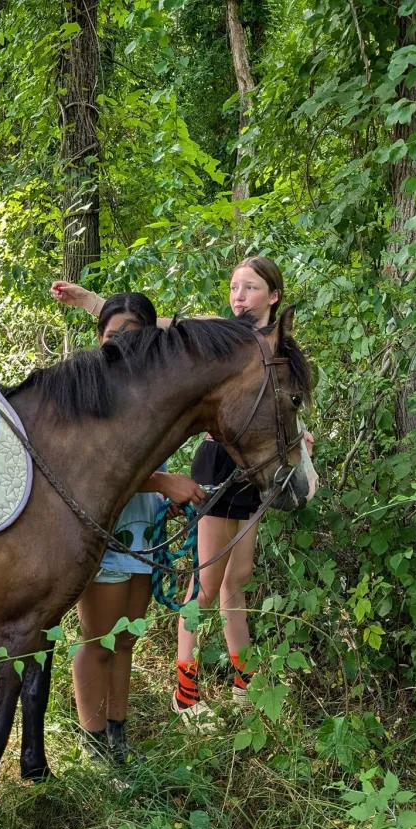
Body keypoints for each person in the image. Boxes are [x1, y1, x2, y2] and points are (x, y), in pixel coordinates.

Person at [52, 258, 314, 725]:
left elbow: (281, 403)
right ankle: (186, 689)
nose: (238, 296)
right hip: (218, 461)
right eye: (234, 287)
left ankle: (243, 681)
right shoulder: (223, 335)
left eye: (250, 288)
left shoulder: (278, 345)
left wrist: (299, 442)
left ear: (273, 295)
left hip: (255, 464)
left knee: (240, 577)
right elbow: (162, 329)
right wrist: (93, 302)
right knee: (207, 583)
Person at [72, 293, 207, 762]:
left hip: (142, 534)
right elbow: (95, 474)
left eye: (132, 337)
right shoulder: (90, 394)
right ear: (98, 339)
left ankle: (118, 735)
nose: (120, 347)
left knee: (126, 639)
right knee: (99, 641)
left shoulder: (152, 398)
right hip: (105, 534)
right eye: (111, 336)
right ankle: (91, 746)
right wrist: (166, 482)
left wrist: (162, 498)